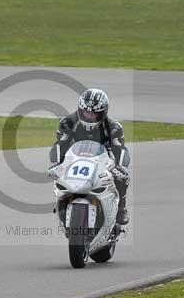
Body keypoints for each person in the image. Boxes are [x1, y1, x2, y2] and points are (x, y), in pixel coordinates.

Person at [49, 88, 130, 225]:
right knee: (57, 175)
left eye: (94, 113)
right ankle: (62, 203)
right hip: (74, 159)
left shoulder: (114, 127)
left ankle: (121, 208)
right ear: (80, 109)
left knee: (122, 178)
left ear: (104, 112)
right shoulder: (67, 122)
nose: (89, 116)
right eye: (86, 112)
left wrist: (121, 167)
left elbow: (120, 149)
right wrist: (55, 163)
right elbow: (59, 145)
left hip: (103, 160)